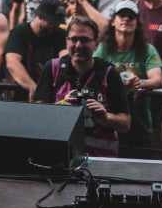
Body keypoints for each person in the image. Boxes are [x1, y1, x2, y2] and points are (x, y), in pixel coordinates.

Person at [32, 17, 130, 157]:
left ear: (96, 44)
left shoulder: (108, 73)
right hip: (59, 156)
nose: (78, 45)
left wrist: (105, 117)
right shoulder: (53, 68)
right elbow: (37, 115)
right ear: (67, 41)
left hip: (100, 160)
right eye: (74, 39)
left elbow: (126, 123)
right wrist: (62, 106)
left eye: (84, 40)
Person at [94, 0, 162, 154]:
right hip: (109, 118)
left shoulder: (147, 49)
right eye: (122, 15)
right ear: (113, 21)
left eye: (131, 17)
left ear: (137, 24)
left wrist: (140, 83)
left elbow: (158, 80)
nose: (126, 19)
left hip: (140, 120)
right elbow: (92, 73)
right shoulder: (103, 48)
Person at [4, 0, 66, 100]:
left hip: (52, 92)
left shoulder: (60, 34)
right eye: (51, 23)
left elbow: (65, 59)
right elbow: (12, 63)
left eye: (57, 23)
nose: (55, 27)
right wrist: (32, 87)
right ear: (39, 16)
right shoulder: (20, 32)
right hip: (23, 93)